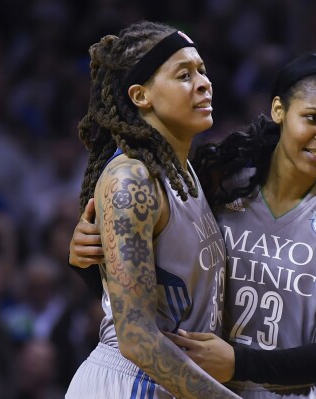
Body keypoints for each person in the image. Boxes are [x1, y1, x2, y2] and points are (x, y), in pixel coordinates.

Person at [71, 51, 316, 398]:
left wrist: (239, 362)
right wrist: (89, 259)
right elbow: (151, 291)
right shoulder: (222, 177)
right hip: (207, 388)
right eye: (312, 118)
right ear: (279, 110)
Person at [65, 20, 239, 399]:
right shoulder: (132, 180)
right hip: (131, 382)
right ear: (141, 96)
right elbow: (137, 338)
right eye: (183, 75)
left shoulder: (180, 167)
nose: (204, 83)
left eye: (202, 71)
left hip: (168, 383)